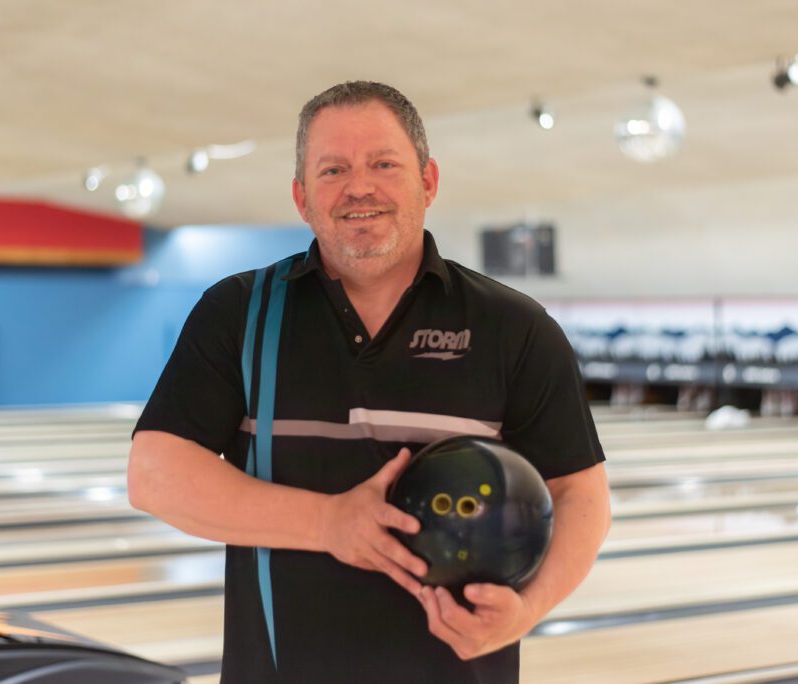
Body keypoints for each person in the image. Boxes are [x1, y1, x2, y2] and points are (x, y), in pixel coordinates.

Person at [128, 81, 611, 684]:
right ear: (302, 198)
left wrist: (528, 609)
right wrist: (328, 523)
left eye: (384, 163)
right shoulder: (241, 312)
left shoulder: (514, 327)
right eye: (333, 169)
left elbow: (581, 494)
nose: (360, 186)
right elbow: (154, 474)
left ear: (428, 182)